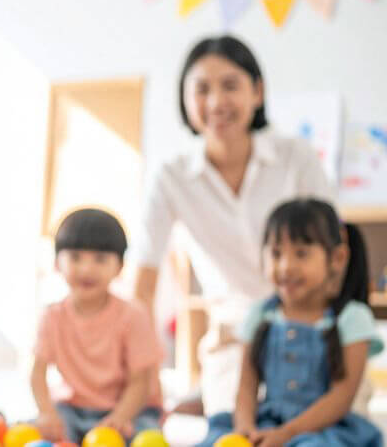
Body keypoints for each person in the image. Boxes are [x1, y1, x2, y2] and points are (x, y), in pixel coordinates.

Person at [130, 35, 336, 415]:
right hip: (233, 331)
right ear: (185, 100)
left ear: (257, 91)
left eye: (230, 86)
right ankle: (204, 392)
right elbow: (143, 282)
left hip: (307, 320)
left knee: (315, 422)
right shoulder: (171, 176)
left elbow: (334, 250)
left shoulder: (296, 157)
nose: (216, 103)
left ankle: (200, 394)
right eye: (201, 89)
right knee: (231, 424)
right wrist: (145, 373)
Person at [198, 198, 383, 447]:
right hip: (268, 422)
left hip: (325, 429)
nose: (285, 266)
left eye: (301, 254)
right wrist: (245, 429)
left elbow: (342, 397)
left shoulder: (351, 318)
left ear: (337, 258)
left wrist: (288, 433)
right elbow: (246, 387)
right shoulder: (260, 315)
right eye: (276, 253)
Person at [31, 209, 163, 444]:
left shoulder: (132, 315)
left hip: (130, 409)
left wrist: (119, 418)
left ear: (120, 266)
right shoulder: (52, 316)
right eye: (75, 257)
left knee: (147, 436)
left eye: (100, 259)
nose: (86, 269)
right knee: (39, 432)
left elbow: (140, 382)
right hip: (73, 408)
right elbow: (37, 373)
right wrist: (47, 412)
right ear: (56, 263)